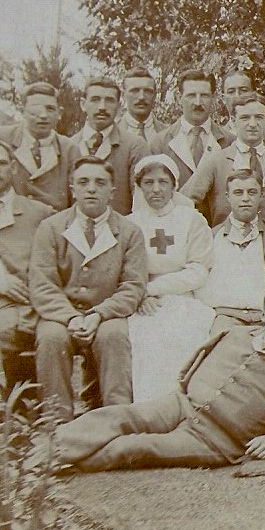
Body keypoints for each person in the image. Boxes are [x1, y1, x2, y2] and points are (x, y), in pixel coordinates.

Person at [53, 283, 265, 471]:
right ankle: (44, 453)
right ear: (263, 314)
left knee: (135, 448)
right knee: (119, 416)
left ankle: (61, 468)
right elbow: (199, 357)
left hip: (215, 440)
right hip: (181, 404)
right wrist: (183, 387)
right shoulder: (237, 333)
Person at [31, 157, 147, 421]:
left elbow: (133, 285)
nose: (91, 189)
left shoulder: (129, 232)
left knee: (114, 337)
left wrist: (99, 314)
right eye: (83, 182)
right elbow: (42, 284)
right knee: (51, 338)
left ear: (112, 191)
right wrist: (70, 317)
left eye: (100, 183)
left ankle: (115, 421)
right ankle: (56, 424)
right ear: (72, 188)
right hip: (62, 316)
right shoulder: (51, 228)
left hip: (106, 316)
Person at [126, 155, 215, 402]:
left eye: (163, 182)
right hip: (140, 302)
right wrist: (140, 294)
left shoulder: (192, 220)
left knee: (182, 335)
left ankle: (180, 409)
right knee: (142, 337)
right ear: (139, 186)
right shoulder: (129, 224)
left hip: (183, 297)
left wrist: (151, 289)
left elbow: (198, 270)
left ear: (174, 185)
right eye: (149, 182)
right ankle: (147, 410)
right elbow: (126, 271)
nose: (156, 189)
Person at [198, 169, 265, 335]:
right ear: (228, 196)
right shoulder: (212, 236)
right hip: (226, 315)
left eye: (252, 192)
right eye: (238, 193)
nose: (245, 198)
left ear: (261, 195)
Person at [181, 94, 265, 227]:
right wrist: (202, 231)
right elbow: (183, 200)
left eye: (258, 117)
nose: (252, 124)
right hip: (228, 242)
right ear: (233, 121)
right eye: (245, 118)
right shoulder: (216, 161)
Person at [0, 140, 56, 400]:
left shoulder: (39, 213)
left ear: (12, 167)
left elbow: (55, 264)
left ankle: (26, 413)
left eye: (1, 163)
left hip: (30, 304)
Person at [71, 76, 151, 214]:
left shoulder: (135, 146)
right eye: (95, 100)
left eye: (109, 101)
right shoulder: (69, 146)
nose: (102, 107)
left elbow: (143, 203)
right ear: (83, 104)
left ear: (119, 107)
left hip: (120, 231)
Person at [0, 82, 80, 211]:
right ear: (22, 110)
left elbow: (76, 199)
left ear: (59, 113)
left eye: (50, 109)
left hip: (54, 224)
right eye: (35, 109)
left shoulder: (69, 149)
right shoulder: (3, 138)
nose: (43, 115)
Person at [148, 70, 234, 189]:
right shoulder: (160, 143)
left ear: (213, 98)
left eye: (204, 95)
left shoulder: (230, 142)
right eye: (191, 95)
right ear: (179, 98)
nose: (198, 103)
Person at [118, 67, 169, 141]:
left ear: (154, 95)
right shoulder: (111, 133)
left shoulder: (170, 134)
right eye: (135, 91)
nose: (141, 97)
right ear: (123, 95)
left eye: (148, 91)